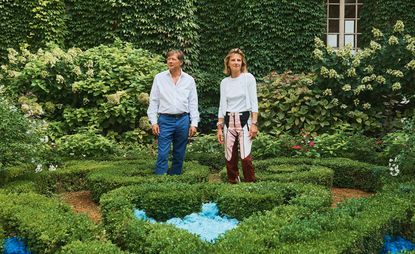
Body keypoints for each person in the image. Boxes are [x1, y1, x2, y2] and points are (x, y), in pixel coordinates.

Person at [147, 50, 199, 175]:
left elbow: (193, 102)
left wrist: (194, 123)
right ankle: (159, 181)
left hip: (183, 120)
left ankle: (175, 180)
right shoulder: (159, 78)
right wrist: (153, 122)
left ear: (180, 62)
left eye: (173, 59)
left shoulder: (189, 80)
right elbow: (153, 100)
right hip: (165, 120)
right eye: (168, 59)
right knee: (163, 153)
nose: (170, 61)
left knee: (179, 153)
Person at [217, 48, 258, 183]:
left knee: (245, 156)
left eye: (239, 60)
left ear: (242, 63)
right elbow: (222, 104)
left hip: (244, 119)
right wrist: (219, 127)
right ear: (228, 63)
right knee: (229, 155)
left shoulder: (248, 78)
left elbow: (254, 102)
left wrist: (254, 124)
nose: (236, 62)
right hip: (229, 121)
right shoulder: (224, 82)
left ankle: (250, 184)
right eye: (233, 60)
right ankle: (233, 182)